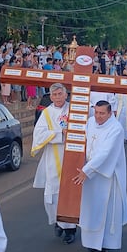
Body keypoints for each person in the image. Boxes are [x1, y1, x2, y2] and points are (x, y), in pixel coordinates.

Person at [72, 100, 127, 252]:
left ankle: (105, 245)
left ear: (110, 113)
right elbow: (81, 142)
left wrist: (87, 171)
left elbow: (105, 153)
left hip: (106, 175)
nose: (98, 116)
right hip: (89, 173)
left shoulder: (116, 128)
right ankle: (90, 243)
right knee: (90, 208)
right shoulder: (90, 122)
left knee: (106, 209)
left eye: (102, 113)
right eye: (96, 112)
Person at [31, 83, 77, 243]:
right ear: (50, 97)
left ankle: (70, 228)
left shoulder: (75, 109)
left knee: (70, 192)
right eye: (54, 95)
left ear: (66, 95)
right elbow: (39, 134)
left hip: (73, 156)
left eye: (60, 94)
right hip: (53, 157)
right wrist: (59, 134)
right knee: (54, 192)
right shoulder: (47, 113)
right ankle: (58, 221)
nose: (57, 97)